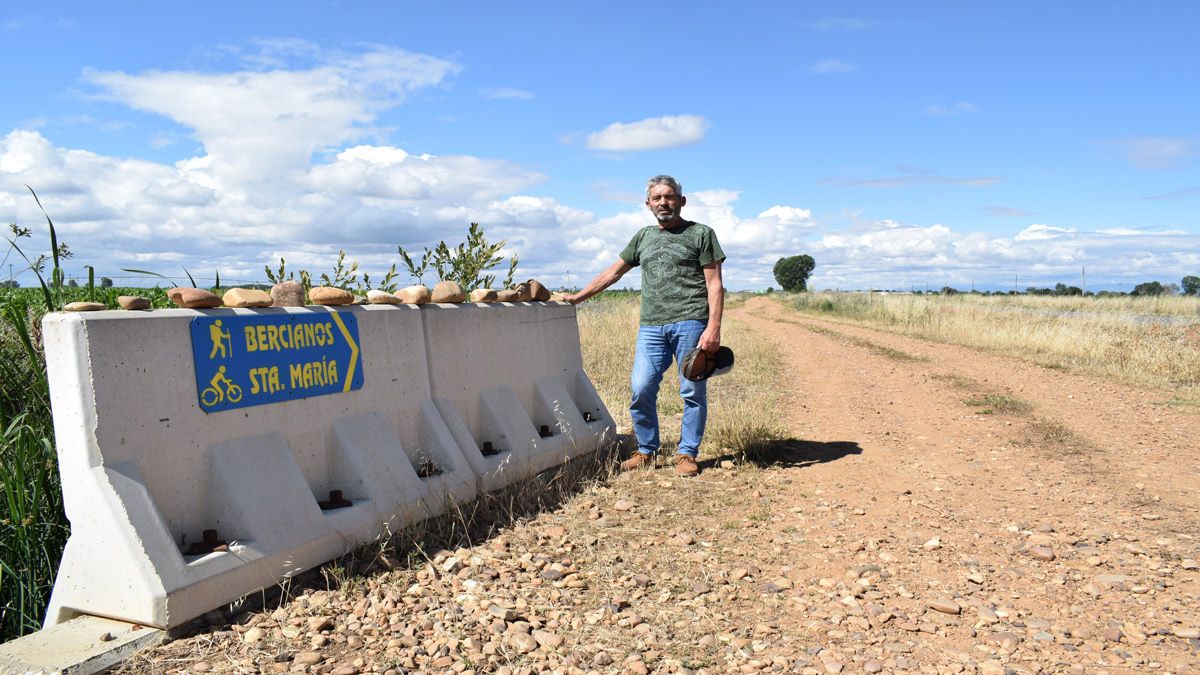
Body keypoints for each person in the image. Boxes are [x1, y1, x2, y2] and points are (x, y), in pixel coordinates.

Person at [563, 175, 725, 477]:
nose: (664, 202)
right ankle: (647, 450)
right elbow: (614, 272)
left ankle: (686, 453)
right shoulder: (643, 237)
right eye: (657, 198)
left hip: (691, 321)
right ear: (648, 204)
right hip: (652, 326)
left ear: (681, 200)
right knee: (641, 387)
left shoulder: (701, 234)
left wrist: (712, 327)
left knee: (691, 390)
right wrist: (579, 297)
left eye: (670, 196)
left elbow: (714, 285)